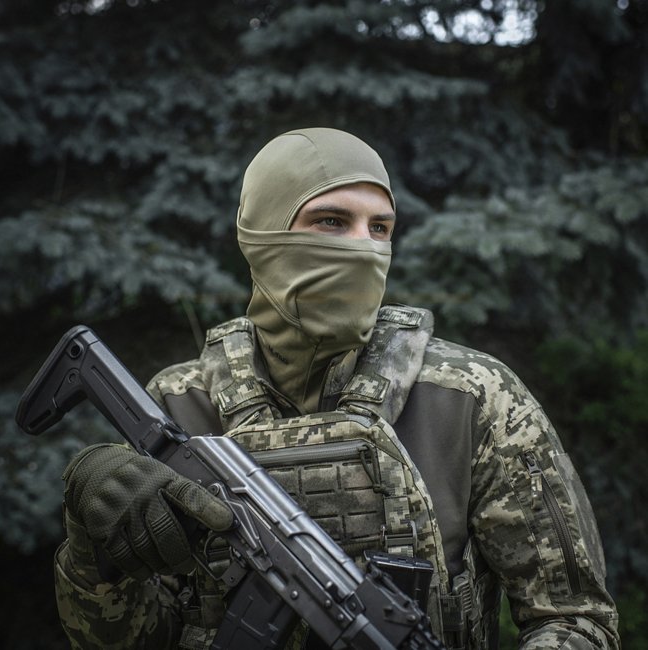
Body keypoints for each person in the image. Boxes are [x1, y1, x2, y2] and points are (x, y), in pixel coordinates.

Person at [55, 128, 620, 649]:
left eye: (380, 228)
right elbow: (126, 639)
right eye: (331, 221)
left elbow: (576, 620)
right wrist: (93, 550)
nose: (364, 248)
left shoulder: (472, 397)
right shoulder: (179, 403)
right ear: (262, 235)